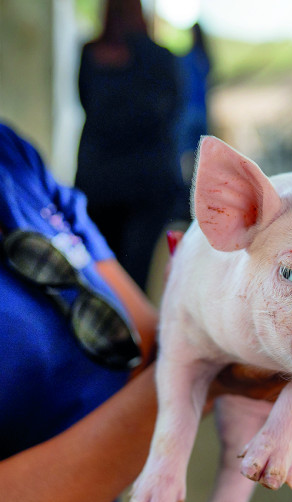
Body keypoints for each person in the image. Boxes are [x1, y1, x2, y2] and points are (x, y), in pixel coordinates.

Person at [0, 2, 280, 502]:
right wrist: (212, 369)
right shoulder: (160, 59)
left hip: (104, 173)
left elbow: (149, 341)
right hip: (143, 181)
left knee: (126, 291)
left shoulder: (0, 149)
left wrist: (231, 329)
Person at [75, 0, 188, 289]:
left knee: (102, 273)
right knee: (134, 277)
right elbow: (173, 111)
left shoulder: (90, 54)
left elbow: (85, 102)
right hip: (147, 182)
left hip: (100, 179)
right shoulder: (161, 58)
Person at [175, 22, 212, 182]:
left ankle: (187, 189)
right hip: (201, 112)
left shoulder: (187, 58)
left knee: (185, 154)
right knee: (201, 156)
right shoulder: (204, 57)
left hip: (189, 111)